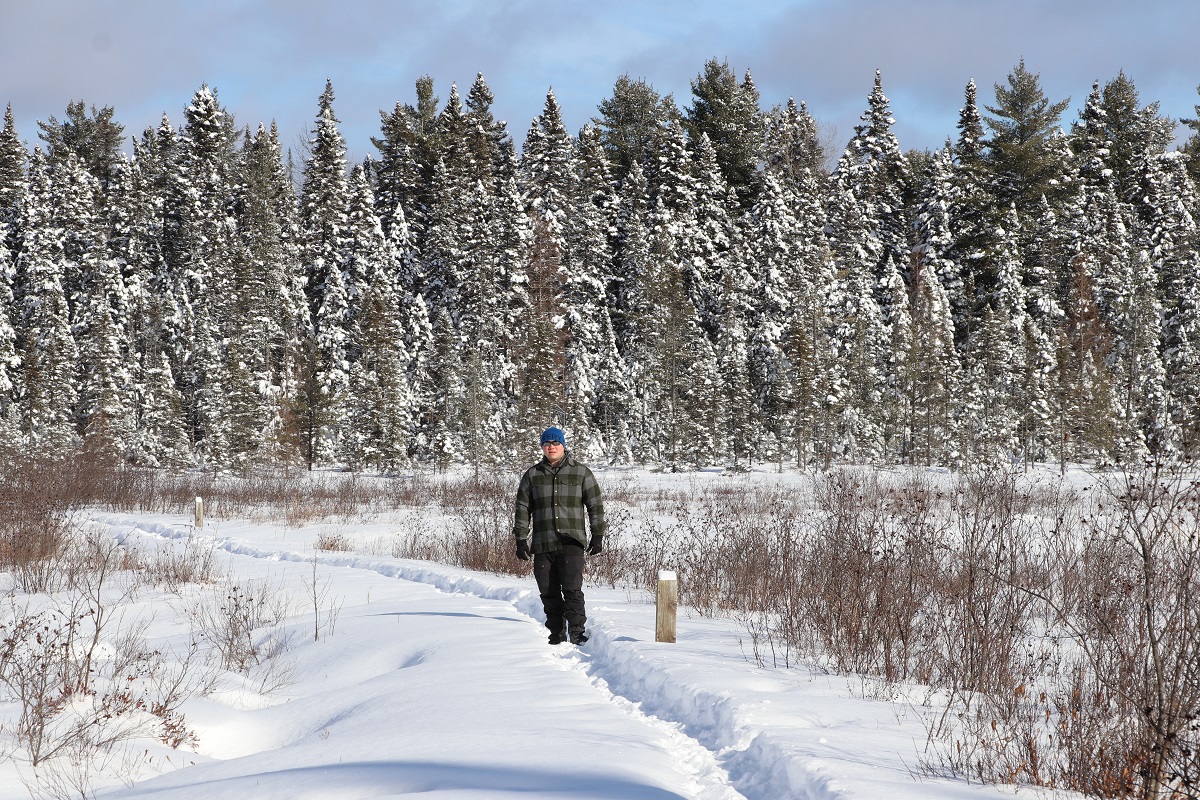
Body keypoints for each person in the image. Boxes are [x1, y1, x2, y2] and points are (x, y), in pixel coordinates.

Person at [512, 426, 605, 645]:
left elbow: (595, 505)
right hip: (543, 541)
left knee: (572, 588)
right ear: (542, 447)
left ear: (563, 445)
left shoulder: (581, 472)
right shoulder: (532, 475)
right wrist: (520, 539)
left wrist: (598, 534)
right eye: (547, 443)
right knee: (548, 590)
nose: (551, 447)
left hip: (571, 541)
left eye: (555, 443)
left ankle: (576, 630)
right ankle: (556, 631)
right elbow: (522, 508)